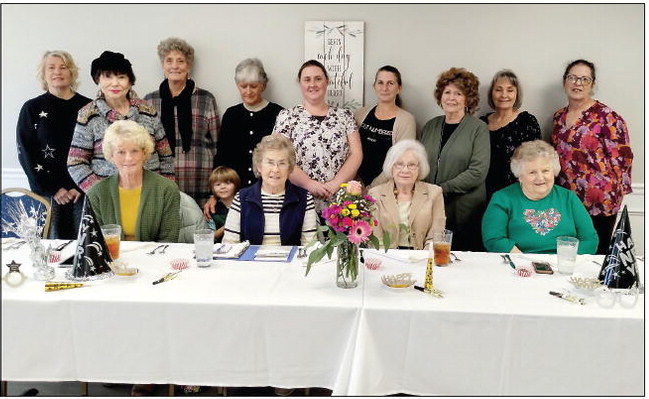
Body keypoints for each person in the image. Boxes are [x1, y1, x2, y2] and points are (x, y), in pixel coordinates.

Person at [551, 59, 633, 254]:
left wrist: (614, 195)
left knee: (595, 255)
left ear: (592, 84)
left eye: (584, 79)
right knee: (568, 254)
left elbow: (624, 159)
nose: (577, 83)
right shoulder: (558, 117)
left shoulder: (608, 117)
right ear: (565, 82)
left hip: (600, 200)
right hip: (567, 198)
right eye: (572, 77)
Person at [67, 50, 174, 193]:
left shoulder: (147, 110)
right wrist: (99, 193)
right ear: (98, 80)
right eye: (107, 77)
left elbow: (165, 155)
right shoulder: (88, 114)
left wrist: (166, 190)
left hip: (151, 194)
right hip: (108, 199)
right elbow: (76, 162)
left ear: (130, 82)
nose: (115, 83)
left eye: (121, 77)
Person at [16, 50, 91, 239]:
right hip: (49, 194)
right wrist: (53, 189)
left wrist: (81, 186)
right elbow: (26, 153)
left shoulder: (89, 107)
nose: (57, 72)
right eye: (51, 67)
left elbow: (99, 152)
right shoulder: (31, 108)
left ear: (71, 72)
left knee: (86, 248)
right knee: (53, 252)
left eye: (63, 67)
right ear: (43, 73)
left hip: (83, 191)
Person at [273, 59, 362, 213]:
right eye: (307, 79)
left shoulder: (345, 116)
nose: (312, 84)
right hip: (298, 198)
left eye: (318, 79)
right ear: (300, 83)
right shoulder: (287, 116)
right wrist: (309, 184)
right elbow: (277, 157)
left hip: (339, 201)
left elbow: (356, 154)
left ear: (327, 81)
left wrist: (336, 184)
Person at [482, 140, 598, 254]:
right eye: (532, 172)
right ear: (520, 176)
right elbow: (493, 239)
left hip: (563, 266)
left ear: (554, 171)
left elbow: (590, 240)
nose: (540, 178)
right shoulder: (502, 199)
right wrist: (525, 262)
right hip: (521, 266)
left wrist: (563, 261)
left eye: (545, 171)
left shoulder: (568, 198)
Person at [419, 67, 490, 251]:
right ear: (440, 96)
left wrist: (441, 189)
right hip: (431, 207)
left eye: (458, 93)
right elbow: (417, 162)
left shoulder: (478, 128)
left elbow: (478, 172)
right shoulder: (431, 125)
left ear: (468, 99)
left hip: (464, 210)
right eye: (447, 92)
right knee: (432, 258)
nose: (451, 98)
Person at [204, 58, 283, 219]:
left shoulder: (278, 114)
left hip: (269, 194)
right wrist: (214, 194)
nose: (248, 91)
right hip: (234, 197)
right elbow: (221, 157)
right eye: (243, 86)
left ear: (263, 85)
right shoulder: (231, 115)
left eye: (253, 86)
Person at [144, 37, 219, 207]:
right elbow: (145, 145)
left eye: (180, 61)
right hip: (161, 180)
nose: (175, 66)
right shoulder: (150, 101)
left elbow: (217, 144)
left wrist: (215, 187)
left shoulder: (205, 99)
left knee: (199, 232)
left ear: (189, 66)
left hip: (200, 182)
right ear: (163, 65)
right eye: (169, 60)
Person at [86, 120, 180, 243]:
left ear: (144, 153)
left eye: (134, 151)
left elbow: (169, 240)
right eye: (121, 152)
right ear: (111, 155)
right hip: (113, 260)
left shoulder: (167, 189)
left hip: (155, 259)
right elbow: (94, 242)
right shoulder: (96, 194)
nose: (128, 158)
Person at [222, 135, 317, 245]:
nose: (275, 169)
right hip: (250, 262)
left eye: (282, 163)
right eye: (270, 162)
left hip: (292, 262)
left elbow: (310, 245)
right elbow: (229, 244)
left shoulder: (304, 199)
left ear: (290, 169)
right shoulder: (242, 198)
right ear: (259, 167)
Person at [368, 140, 445, 250]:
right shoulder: (375, 194)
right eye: (399, 164)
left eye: (412, 165)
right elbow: (375, 237)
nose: (405, 170)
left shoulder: (435, 193)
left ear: (420, 168)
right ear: (391, 167)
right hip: (387, 258)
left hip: (422, 258)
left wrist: (424, 259)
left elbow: (436, 235)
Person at [480, 69, 541, 200]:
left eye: (510, 90)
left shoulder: (527, 121)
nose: (504, 94)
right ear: (491, 93)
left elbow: (536, 162)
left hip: (518, 195)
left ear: (516, 94)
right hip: (485, 194)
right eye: (498, 89)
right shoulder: (480, 124)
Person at [354, 65, 416, 188]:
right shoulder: (360, 114)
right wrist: (356, 183)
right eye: (380, 83)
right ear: (374, 86)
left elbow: (400, 161)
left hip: (386, 189)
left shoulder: (406, 120)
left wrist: (372, 188)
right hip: (355, 186)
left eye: (390, 83)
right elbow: (350, 151)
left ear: (399, 88)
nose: (384, 88)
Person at [207, 166, 240, 242]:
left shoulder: (243, 205)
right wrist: (227, 227)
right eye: (218, 184)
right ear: (212, 188)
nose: (223, 187)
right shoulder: (212, 209)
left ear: (235, 184)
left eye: (227, 183)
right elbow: (210, 236)